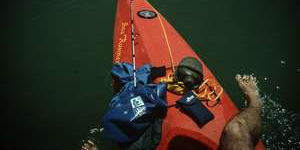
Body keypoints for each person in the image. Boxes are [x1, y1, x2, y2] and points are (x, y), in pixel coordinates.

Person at [81, 58, 262, 150]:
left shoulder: (153, 92)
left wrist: (151, 74)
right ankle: (255, 103)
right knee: (236, 130)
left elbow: (123, 74)